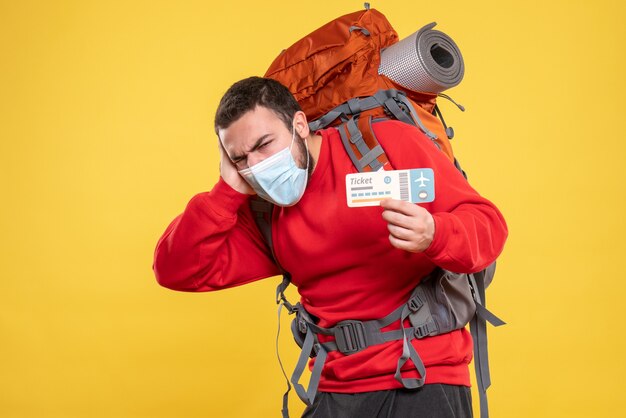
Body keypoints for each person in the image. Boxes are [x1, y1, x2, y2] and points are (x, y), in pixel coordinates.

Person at [153, 76, 508, 417]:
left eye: (264, 145)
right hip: (336, 387)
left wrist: (435, 234)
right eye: (240, 159)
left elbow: (489, 227)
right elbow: (175, 269)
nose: (257, 166)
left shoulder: (381, 145)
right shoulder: (264, 210)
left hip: (425, 374)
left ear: (300, 126)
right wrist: (227, 189)